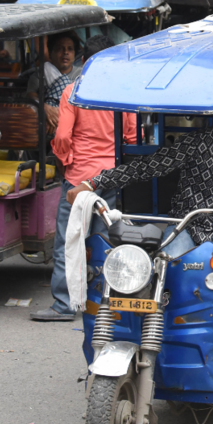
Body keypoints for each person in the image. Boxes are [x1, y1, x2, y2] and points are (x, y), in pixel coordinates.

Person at [67, 97, 213, 285]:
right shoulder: (200, 142)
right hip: (186, 228)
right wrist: (93, 183)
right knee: (164, 268)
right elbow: (148, 167)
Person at [31, 45, 138, 321]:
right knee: (105, 238)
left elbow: (63, 136)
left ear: (84, 61)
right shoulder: (123, 92)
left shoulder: (74, 92)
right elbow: (132, 136)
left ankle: (65, 304)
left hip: (78, 181)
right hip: (110, 176)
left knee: (69, 241)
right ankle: (103, 300)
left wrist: (65, 160)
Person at [28, 32, 81, 133]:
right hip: (47, 128)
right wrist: (44, 107)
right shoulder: (40, 74)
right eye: (60, 48)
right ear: (51, 53)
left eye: (70, 49)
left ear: (74, 54)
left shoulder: (81, 74)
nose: (66, 52)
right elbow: (31, 96)